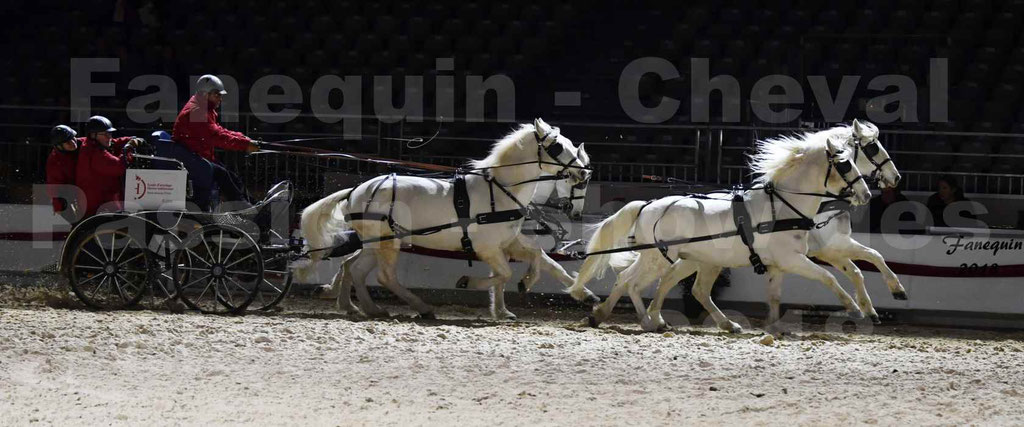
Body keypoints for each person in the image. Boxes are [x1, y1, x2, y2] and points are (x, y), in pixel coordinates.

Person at [172, 74, 259, 208]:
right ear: (205, 94)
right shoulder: (196, 111)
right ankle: (244, 207)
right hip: (191, 159)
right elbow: (215, 136)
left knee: (232, 177)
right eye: (217, 95)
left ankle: (249, 204)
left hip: (198, 156)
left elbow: (218, 130)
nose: (220, 98)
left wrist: (243, 139)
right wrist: (244, 145)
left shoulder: (203, 108)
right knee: (224, 176)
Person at [75, 115, 144, 217]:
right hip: (97, 207)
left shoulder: (92, 143)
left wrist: (130, 139)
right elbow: (119, 167)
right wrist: (130, 147)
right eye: (106, 134)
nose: (109, 137)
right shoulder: (94, 153)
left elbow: (114, 143)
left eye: (110, 133)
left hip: (100, 202)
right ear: (93, 135)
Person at [45, 125, 82, 223]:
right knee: (76, 224)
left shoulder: (81, 143)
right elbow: (54, 185)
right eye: (68, 142)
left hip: (82, 189)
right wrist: (58, 206)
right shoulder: (54, 161)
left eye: (73, 138)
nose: (73, 142)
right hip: (67, 196)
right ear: (59, 146)